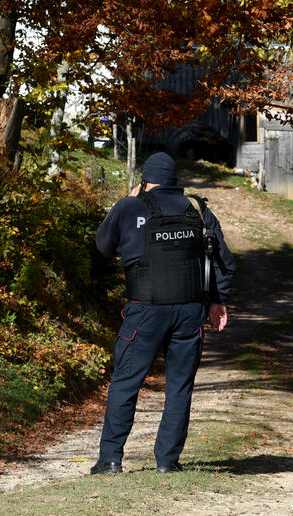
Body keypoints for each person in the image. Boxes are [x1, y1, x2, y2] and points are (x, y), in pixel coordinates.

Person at [90, 151, 234, 474]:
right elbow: (221, 260)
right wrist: (218, 300)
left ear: (145, 182)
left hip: (145, 310)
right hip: (190, 310)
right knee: (179, 386)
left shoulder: (129, 206)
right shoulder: (198, 209)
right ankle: (168, 462)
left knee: (126, 382)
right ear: (174, 181)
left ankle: (110, 459)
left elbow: (102, 245)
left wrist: (128, 204)